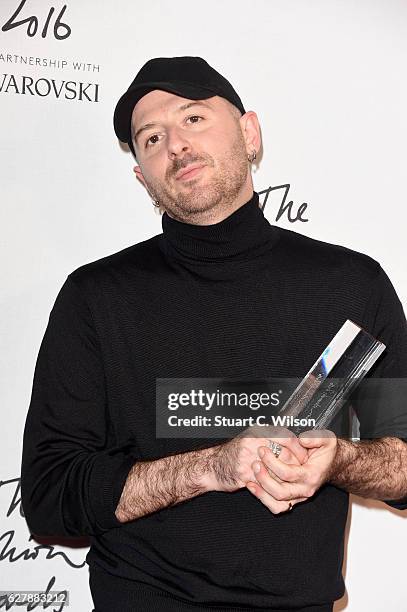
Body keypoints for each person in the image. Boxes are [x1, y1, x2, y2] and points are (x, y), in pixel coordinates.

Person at [21, 56, 407, 612]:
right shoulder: (95, 297)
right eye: (150, 138)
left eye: (194, 119)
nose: (174, 145)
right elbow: (50, 497)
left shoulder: (349, 285)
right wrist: (210, 468)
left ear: (250, 133)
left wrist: (340, 460)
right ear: (141, 176)